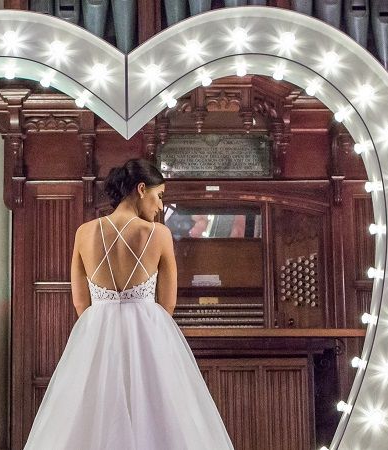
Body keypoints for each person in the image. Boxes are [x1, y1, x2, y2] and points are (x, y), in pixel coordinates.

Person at [23, 158, 235, 449]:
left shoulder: (84, 233)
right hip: (149, 335)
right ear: (140, 189)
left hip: (96, 334)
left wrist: (104, 324)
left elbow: (80, 303)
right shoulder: (159, 235)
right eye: (159, 196)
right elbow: (168, 304)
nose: (160, 207)